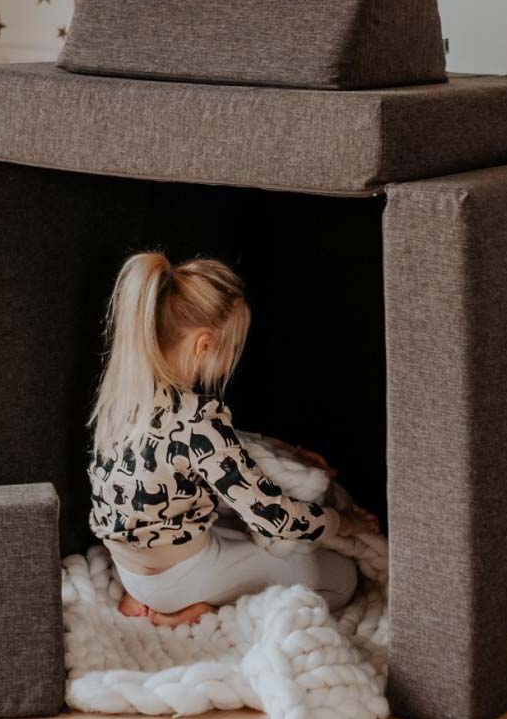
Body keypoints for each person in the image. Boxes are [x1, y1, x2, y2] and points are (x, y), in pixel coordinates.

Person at [88, 251, 378, 627]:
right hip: (178, 578)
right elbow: (277, 520)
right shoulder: (197, 421)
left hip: (134, 569)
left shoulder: (122, 396)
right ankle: (191, 613)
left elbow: (187, 454)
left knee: (234, 527)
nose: (232, 362)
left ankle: (160, 595)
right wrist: (345, 522)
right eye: (232, 349)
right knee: (340, 578)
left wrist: (282, 451)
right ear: (204, 345)